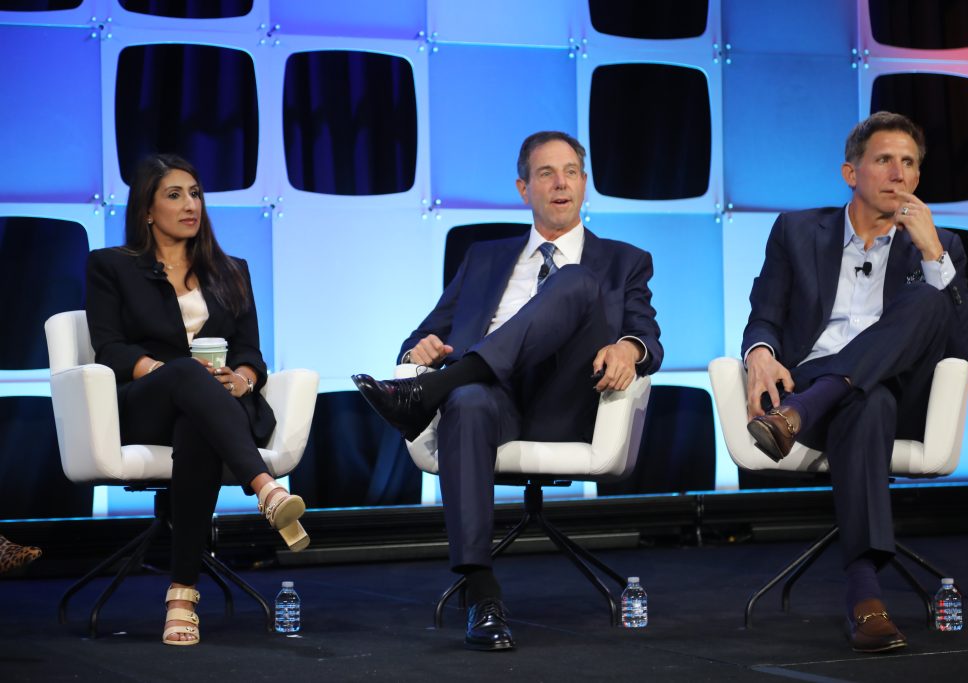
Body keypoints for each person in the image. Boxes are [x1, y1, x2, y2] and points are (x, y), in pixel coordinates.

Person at [352, 131, 662, 651]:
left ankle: (430, 394)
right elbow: (423, 333)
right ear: (523, 188)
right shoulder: (483, 258)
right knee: (467, 401)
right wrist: (416, 353)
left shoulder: (623, 260)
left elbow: (647, 335)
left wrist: (629, 348)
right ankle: (482, 595)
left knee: (574, 281)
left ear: (584, 183)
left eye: (570, 172)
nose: (560, 183)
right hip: (493, 401)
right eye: (546, 173)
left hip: (568, 399)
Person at [742, 112, 968, 653]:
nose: (898, 173)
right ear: (851, 173)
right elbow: (765, 316)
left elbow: (965, 347)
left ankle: (805, 408)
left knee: (927, 300)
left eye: (909, 163)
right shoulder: (797, 231)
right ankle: (865, 595)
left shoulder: (943, 245)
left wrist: (933, 256)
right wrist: (758, 354)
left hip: (884, 395)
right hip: (816, 385)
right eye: (884, 160)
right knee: (867, 402)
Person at [85, 154, 309, 646]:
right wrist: (166, 372)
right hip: (146, 404)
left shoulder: (231, 271)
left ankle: (182, 597)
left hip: (213, 412)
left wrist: (242, 380)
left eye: (195, 194)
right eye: (175, 195)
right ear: (147, 210)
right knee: (187, 373)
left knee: (196, 425)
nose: (191, 205)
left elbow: (251, 351)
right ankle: (266, 489)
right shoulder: (111, 266)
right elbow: (109, 347)